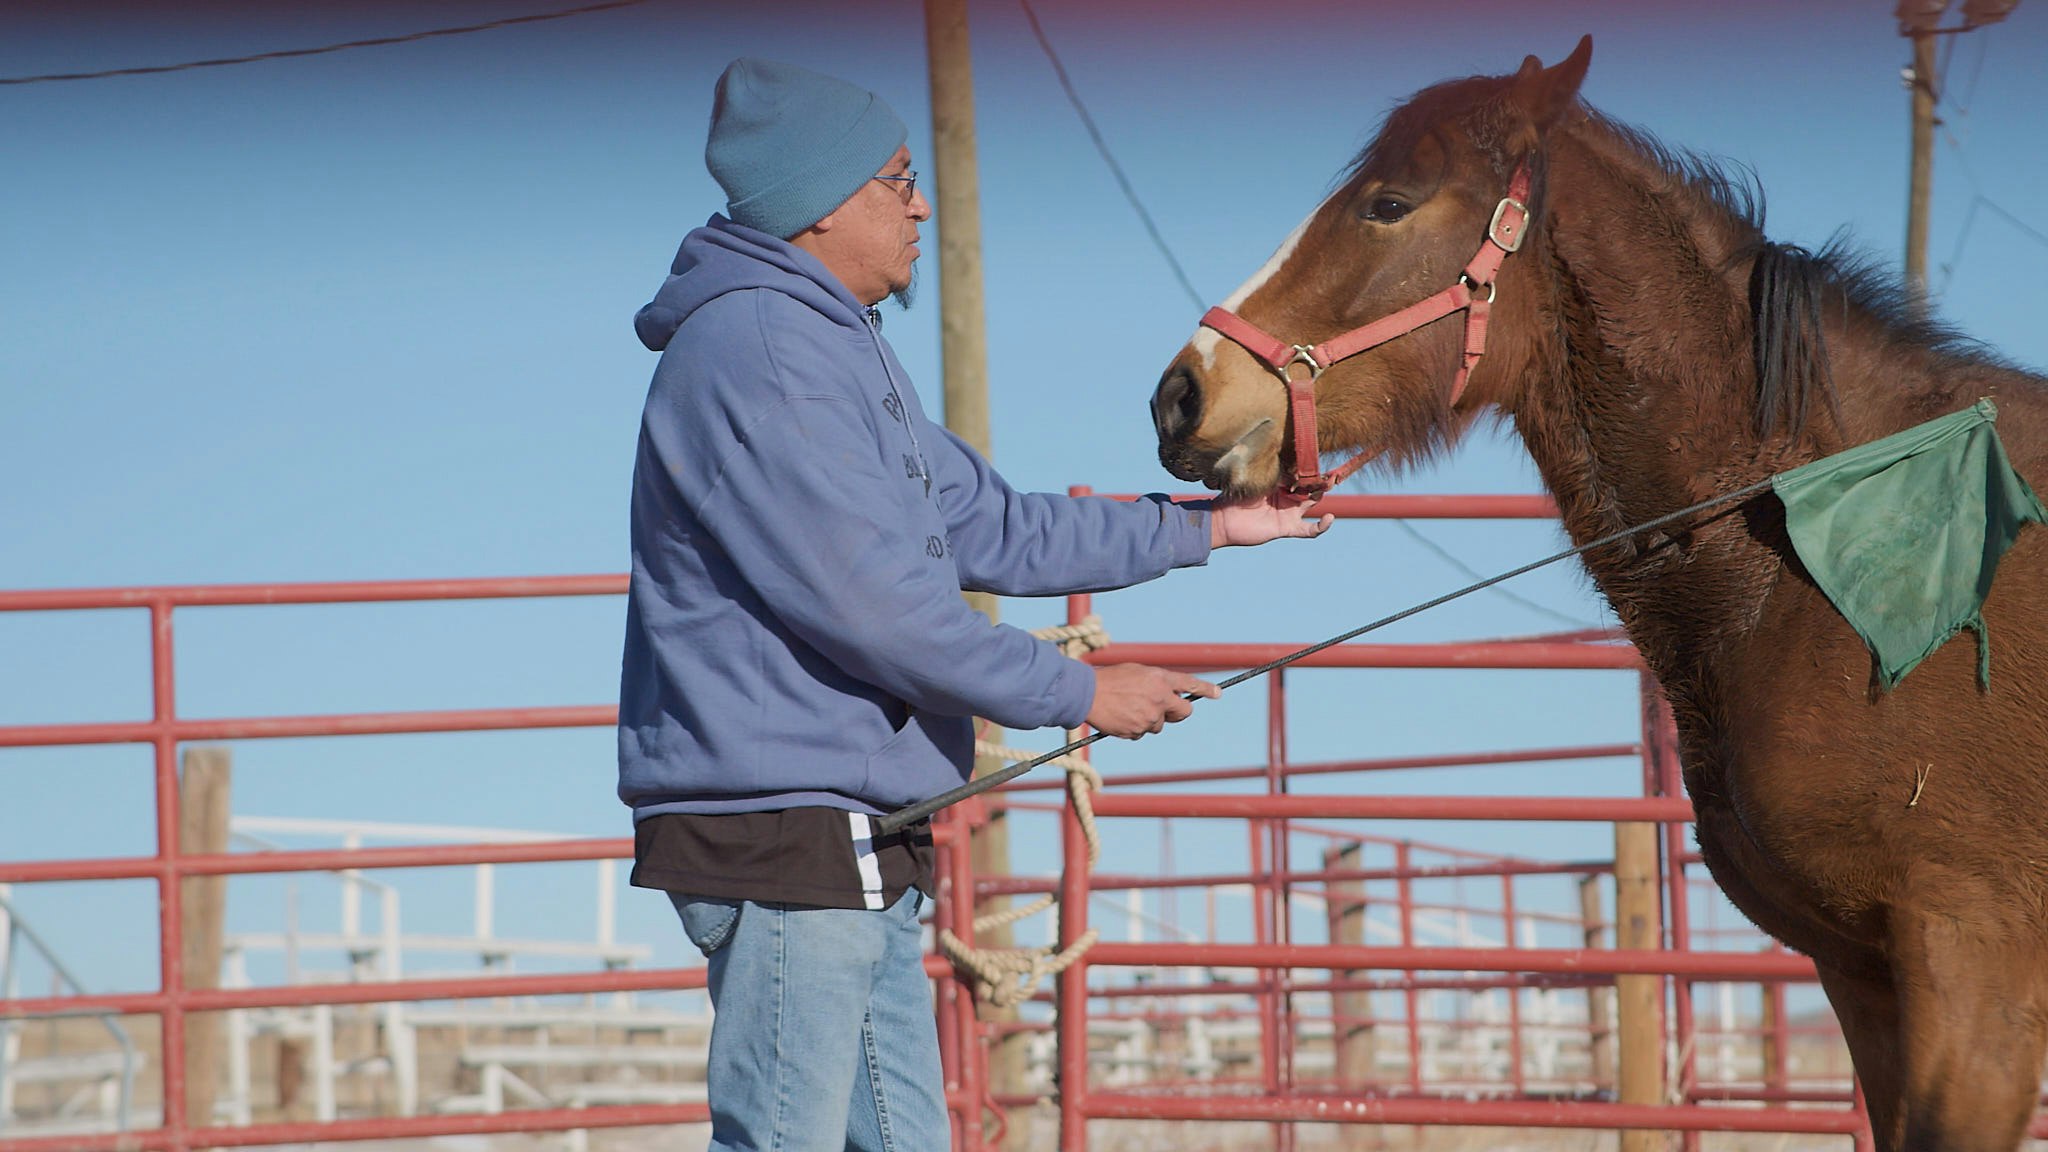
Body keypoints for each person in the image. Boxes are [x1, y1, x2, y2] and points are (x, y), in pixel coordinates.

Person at [618, 56, 1332, 1152]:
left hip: (848, 827)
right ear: (819, 204)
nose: (918, 203)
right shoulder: (761, 352)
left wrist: (1214, 527)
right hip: (785, 829)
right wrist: (1079, 692)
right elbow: (877, 608)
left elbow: (995, 528)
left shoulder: (832, 345)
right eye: (896, 179)